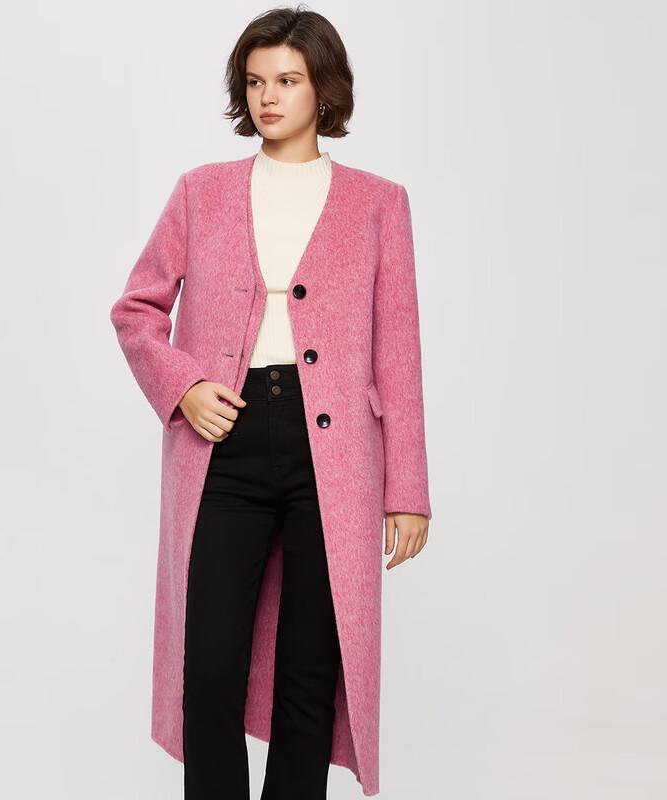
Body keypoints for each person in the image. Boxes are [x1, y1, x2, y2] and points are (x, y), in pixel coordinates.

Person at [110, 7, 432, 798]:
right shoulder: (201, 192)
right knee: (209, 670)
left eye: (287, 80)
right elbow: (137, 309)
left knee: (309, 674)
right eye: (255, 82)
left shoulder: (379, 203)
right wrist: (185, 387)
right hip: (226, 443)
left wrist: (408, 490)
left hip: (338, 459)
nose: (268, 97)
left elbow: (398, 352)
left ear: (324, 89)